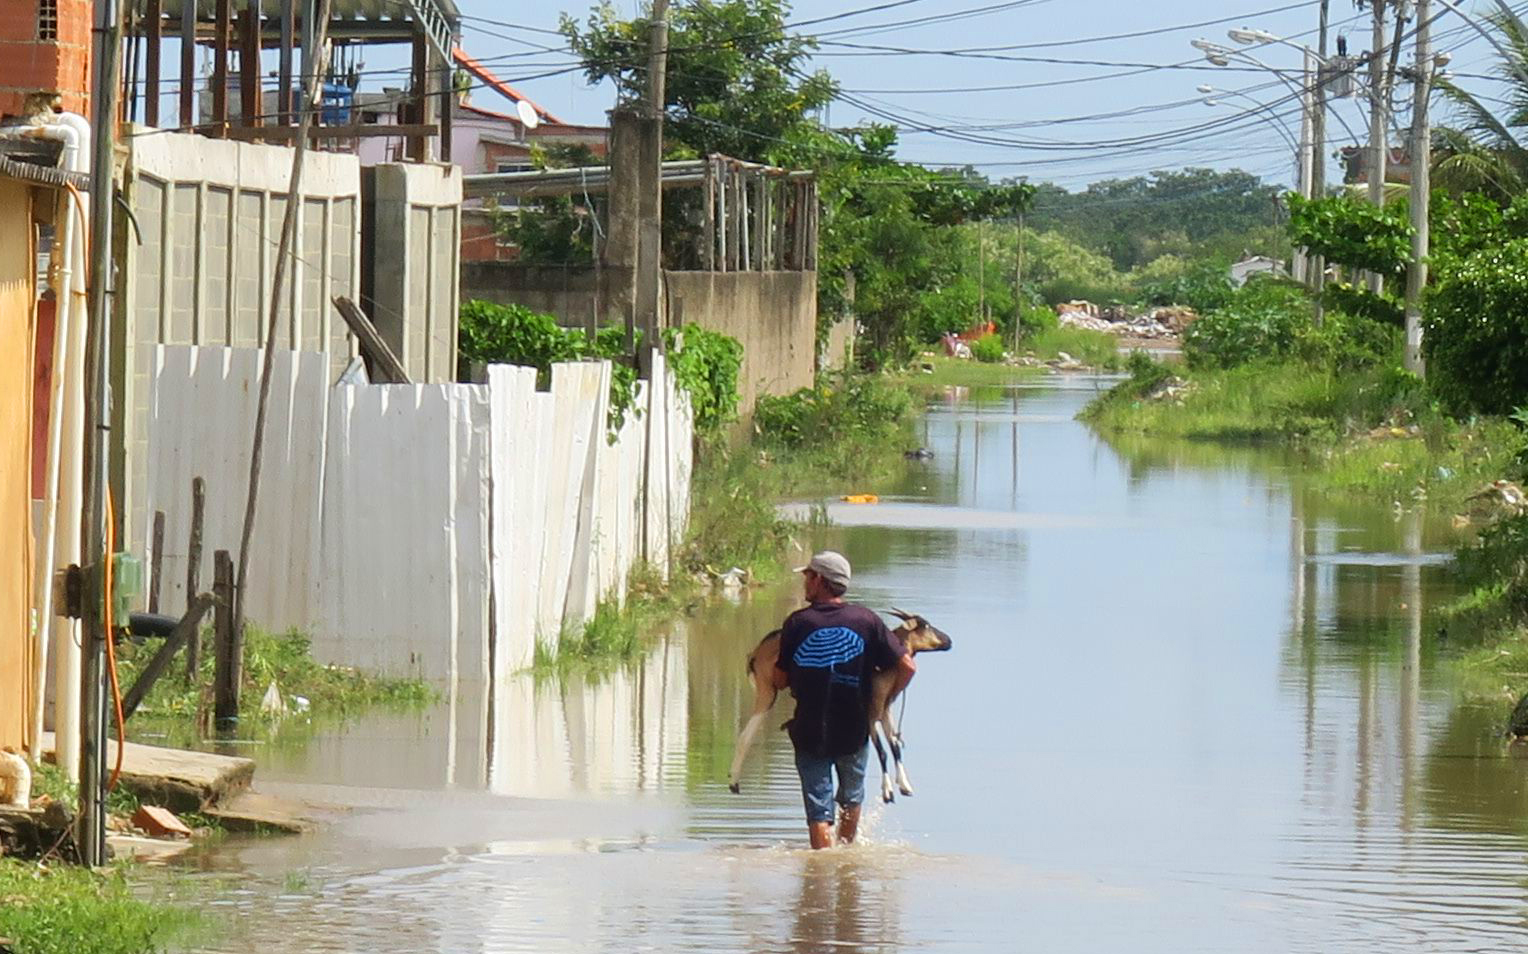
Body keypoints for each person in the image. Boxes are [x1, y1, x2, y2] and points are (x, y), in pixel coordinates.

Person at [772, 551, 916, 849]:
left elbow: (780, 679)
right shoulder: (867, 620)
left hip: (809, 726)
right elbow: (907, 666)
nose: (805, 583)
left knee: (818, 810)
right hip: (854, 726)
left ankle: (822, 873)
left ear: (820, 580)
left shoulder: (798, 623)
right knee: (851, 799)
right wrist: (887, 699)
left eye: (808, 576)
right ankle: (845, 863)